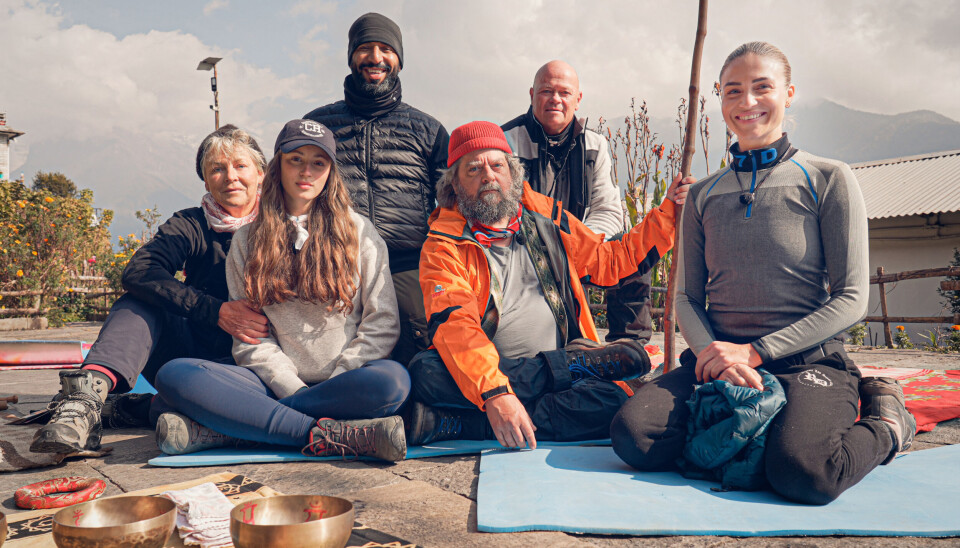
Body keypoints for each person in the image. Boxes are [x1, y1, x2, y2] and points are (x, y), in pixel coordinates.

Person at [610, 42, 916, 504]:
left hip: (805, 361)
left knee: (806, 474)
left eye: (762, 87)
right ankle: (759, 434)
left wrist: (756, 352)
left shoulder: (828, 177)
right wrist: (714, 355)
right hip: (716, 360)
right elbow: (687, 298)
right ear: (720, 99)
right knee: (633, 436)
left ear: (789, 94)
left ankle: (889, 422)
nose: (746, 102)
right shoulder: (703, 194)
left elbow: (851, 297)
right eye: (733, 91)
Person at [405, 121, 690, 449]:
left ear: (512, 173)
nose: (488, 176)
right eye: (473, 169)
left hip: (562, 375)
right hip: (504, 373)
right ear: (454, 184)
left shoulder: (548, 220)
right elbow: (457, 329)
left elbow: (612, 262)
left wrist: (669, 213)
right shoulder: (443, 246)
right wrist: (497, 393)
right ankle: (565, 370)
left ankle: (464, 425)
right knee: (426, 371)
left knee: (615, 400)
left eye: (497, 165)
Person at [152, 119, 409, 462]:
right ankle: (326, 434)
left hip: (351, 382)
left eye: (319, 163)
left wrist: (338, 380)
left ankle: (247, 428)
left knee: (392, 382)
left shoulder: (359, 231)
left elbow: (383, 322)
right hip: (271, 385)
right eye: (296, 159)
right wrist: (291, 387)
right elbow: (250, 340)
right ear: (277, 167)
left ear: (331, 172)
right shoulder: (247, 239)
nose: (307, 171)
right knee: (176, 376)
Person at [30, 125, 271, 454]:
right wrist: (215, 312)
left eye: (240, 166)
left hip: (257, 364)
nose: (230, 176)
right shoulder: (190, 223)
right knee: (140, 301)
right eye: (217, 168)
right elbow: (140, 271)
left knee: (178, 410)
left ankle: (140, 409)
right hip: (188, 357)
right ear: (205, 180)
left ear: (261, 173)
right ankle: (83, 403)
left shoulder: (284, 226)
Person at [304, 12, 449, 366]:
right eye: (365, 48)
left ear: (398, 59)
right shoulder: (318, 125)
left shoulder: (427, 130)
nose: (375, 57)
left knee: (425, 344)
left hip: (407, 262)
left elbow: (452, 203)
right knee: (331, 351)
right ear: (352, 56)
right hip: (336, 259)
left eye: (386, 49)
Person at [502, 60, 655, 343]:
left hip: (580, 249)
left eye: (564, 92)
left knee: (632, 252)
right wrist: (548, 245)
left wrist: (576, 245)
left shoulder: (595, 145)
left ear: (578, 99)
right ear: (532, 94)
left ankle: (629, 346)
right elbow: (504, 212)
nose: (555, 100)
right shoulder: (506, 142)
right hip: (525, 251)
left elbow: (608, 210)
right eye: (547, 91)